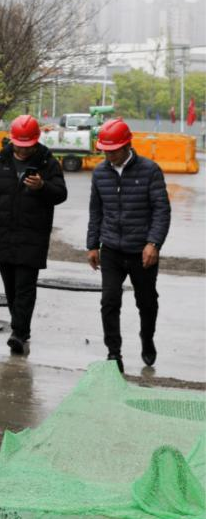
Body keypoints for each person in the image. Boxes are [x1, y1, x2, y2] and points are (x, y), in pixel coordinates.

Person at [87, 118, 171, 371]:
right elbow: (96, 211)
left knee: (146, 301)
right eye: (105, 151)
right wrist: (92, 245)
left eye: (113, 151)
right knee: (109, 301)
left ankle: (147, 337)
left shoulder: (150, 170)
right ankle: (114, 353)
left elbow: (161, 210)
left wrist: (154, 243)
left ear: (126, 146)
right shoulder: (100, 173)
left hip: (141, 251)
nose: (109, 155)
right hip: (111, 249)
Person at [0, 115, 67, 354]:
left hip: (33, 235)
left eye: (28, 146)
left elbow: (61, 194)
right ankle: (20, 325)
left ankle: (19, 332)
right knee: (11, 288)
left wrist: (42, 187)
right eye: (19, 145)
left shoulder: (47, 163)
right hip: (4, 234)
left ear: (36, 142)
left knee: (25, 286)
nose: (23, 150)